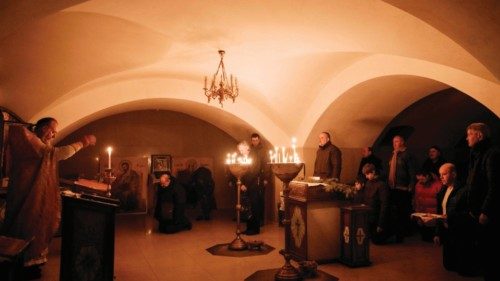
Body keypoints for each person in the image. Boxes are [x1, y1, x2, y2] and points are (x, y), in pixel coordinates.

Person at [1, 117, 96, 278]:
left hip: (34, 195)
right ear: (43, 128)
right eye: (52, 130)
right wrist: (83, 142)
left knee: (38, 227)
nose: (53, 135)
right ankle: (23, 265)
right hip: (26, 197)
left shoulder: (39, 142)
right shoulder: (28, 140)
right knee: (27, 227)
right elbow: (54, 154)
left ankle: (34, 263)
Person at [464, 123, 499, 281]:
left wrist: (486, 210)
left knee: (490, 249)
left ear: (479, 136)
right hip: (477, 210)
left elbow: (495, 185)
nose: (467, 138)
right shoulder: (477, 154)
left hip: (487, 213)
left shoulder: (491, 154)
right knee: (483, 249)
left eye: (469, 134)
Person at [433, 163, 478, 275]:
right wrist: (438, 233)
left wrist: (450, 217)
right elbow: (440, 212)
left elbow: (470, 213)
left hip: (460, 231)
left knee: (463, 269)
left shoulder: (465, 190)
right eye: (440, 174)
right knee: (448, 265)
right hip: (447, 230)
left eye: (444, 174)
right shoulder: (443, 190)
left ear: (454, 174)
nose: (441, 177)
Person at [387, 135, 416, 242]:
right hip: (393, 187)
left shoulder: (407, 155)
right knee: (395, 212)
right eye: (393, 142)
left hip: (403, 188)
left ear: (402, 142)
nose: (395, 144)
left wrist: (411, 186)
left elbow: (412, 171)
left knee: (403, 211)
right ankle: (397, 232)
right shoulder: (393, 154)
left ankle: (403, 233)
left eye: (397, 141)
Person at [353, 163, 390, 244]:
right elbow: (365, 198)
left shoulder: (381, 185)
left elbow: (384, 204)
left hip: (377, 217)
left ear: (373, 172)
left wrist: (381, 223)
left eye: (368, 174)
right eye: (365, 174)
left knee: (377, 241)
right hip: (369, 215)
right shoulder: (368, 183)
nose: (366, 176)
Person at [237, 141, 261, 235]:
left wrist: (246, 184)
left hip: (253, 185)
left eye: (241, 150)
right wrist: (242, 183)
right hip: (245, 185)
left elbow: (255, 171)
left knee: (254, 207)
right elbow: (240, 171)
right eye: (239, 150)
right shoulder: (243, 158)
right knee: (247, 207)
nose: (240, 152)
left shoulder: (254, 156)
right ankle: (249, 228)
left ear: (247, 148)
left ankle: (255, 229)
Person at [414, 169, 442, 242]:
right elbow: (417, 201)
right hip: (423, 217)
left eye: (422, 179)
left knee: (431, 240)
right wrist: (418, 217)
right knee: (425, 239)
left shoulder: (438, 185)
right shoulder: (418, 185)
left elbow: (441, 204)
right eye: (419, 179)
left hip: (434, 218)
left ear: (428, 176)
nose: (420, 181)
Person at [250, 133, 271, 226]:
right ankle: (253, 219)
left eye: (256, 140)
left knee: (260, 199)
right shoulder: (249, 150)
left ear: (259, 140)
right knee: (252, 199)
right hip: (251, 178)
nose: (254, 142)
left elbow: (266, 165)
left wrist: (266, 178)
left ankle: (261, 220)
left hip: (260, 177)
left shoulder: (263, 150)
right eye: (253, 140)